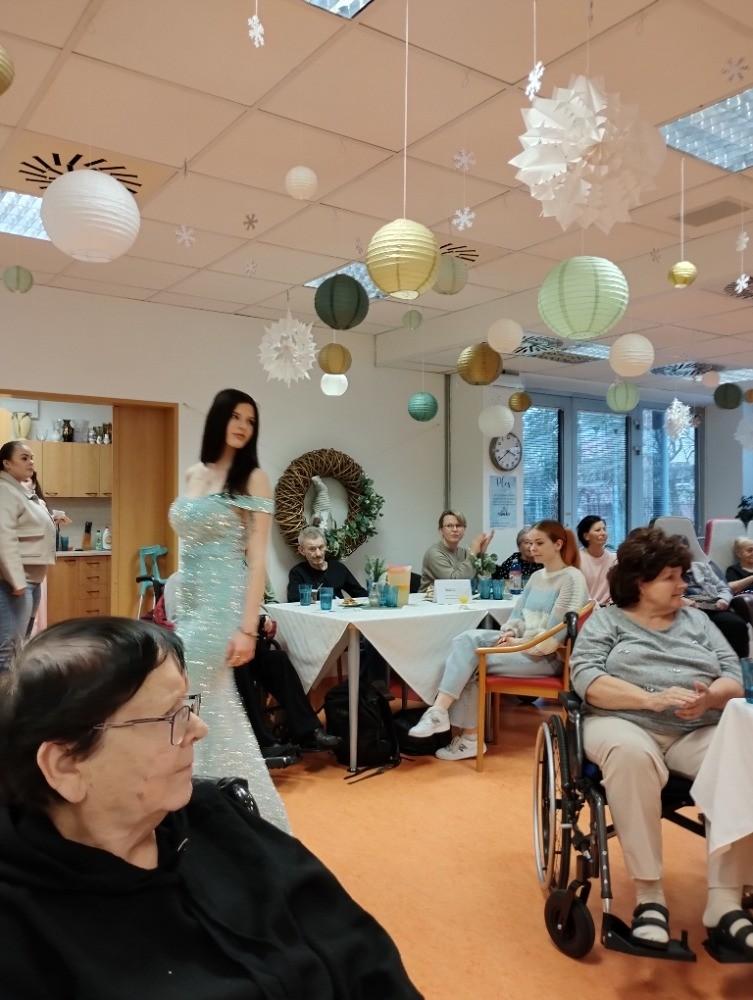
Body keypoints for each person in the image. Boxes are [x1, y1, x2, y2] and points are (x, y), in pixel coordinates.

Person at [0, 618, 423, 999]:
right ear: (66, 765)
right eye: (169, 718)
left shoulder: (215, 819)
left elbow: (358, 950)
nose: (199, 729)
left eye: (187, 707)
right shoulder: (23, 934)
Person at [570, 527, 753, 956]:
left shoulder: (698, 621)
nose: (682, 584)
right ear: (640, 582)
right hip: (622, 721)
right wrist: (649, 700)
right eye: (671, 577)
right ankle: (650, 897)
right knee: (631, 756)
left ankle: (725, 902)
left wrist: (709, 697)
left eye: (681, 575)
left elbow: (733, 675)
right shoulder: (607, 622)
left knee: (742, 757)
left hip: (697, 728)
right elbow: (587, 679)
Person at [169, 389, 289, 832]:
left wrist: (248, 628)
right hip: (189, 603)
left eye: (250, 420)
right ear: (218, 418)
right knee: (213, 707)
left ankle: (200, 802)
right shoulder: (193, 473)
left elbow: (257, 559)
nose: (242, 426)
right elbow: (188, 548)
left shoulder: (253, 478)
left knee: (188, 698)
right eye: (236, 416)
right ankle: (227, 811)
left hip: (222, 607)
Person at [409, 521, 588, 761]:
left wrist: (516, 643)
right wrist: (510, 632)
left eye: (539, 543)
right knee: (466, 639)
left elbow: (554, 636)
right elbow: (517, 615)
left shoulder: (572, 579)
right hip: (524, 647)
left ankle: (467, 737)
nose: (532, 548)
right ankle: (440, 713)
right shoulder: (537, 576)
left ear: (558, 544)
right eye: (530, 543)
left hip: (546, 657)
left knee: (469, 662)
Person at [164, 571, 339, 755]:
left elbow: (251, 606)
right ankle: (261, 741)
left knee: (277, 660)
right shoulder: (179, 580)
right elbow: (179, 625)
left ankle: (308, 732)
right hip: (208, 653)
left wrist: (264, 618)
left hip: (241, 646)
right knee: (240, 665)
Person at [0, 441, 56, 670]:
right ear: (6, 463)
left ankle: (14, 691)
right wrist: (16, 580)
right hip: (15, 582)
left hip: (30, 580)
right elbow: (4, 537)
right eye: (24, 458)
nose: (31, 462)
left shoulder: (20, 491)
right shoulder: (4, 490)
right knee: (8, 649)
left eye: (31, 457)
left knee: (20, 645)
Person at [680, 543, 748, 659]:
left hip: (714, 605)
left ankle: (741, 662)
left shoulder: (702, 567)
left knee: (737, 624)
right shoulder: (668, 572)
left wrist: (723, 599)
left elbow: (724, 588)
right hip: (690, 609)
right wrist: (682, 599)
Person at [420, 510, 494, 592]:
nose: (455, 529)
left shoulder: (464, 552)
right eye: (449, 526)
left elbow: (483, 581)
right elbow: (455, 583)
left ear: (464, 530)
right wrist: (473, 554)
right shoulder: (434, 554)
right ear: (441, 530)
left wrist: (481, 554)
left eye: (458, 526)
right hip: (429, 599)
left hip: (458, 597)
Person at [286, 526, 367, 602]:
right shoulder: (297, 573)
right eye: (312, 549)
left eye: (321, 547)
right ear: (302, 551)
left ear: (326, 546)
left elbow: (361, 595)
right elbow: (294, 601)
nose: (318, 554)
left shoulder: (338, 568)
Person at [576, 515, 617, 606]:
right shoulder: (576, 559)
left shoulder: (614, 559)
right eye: (598, 530)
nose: (603, 533)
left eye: (604, 529)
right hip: (584, 609)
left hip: (609, 609)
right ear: (586, 536)